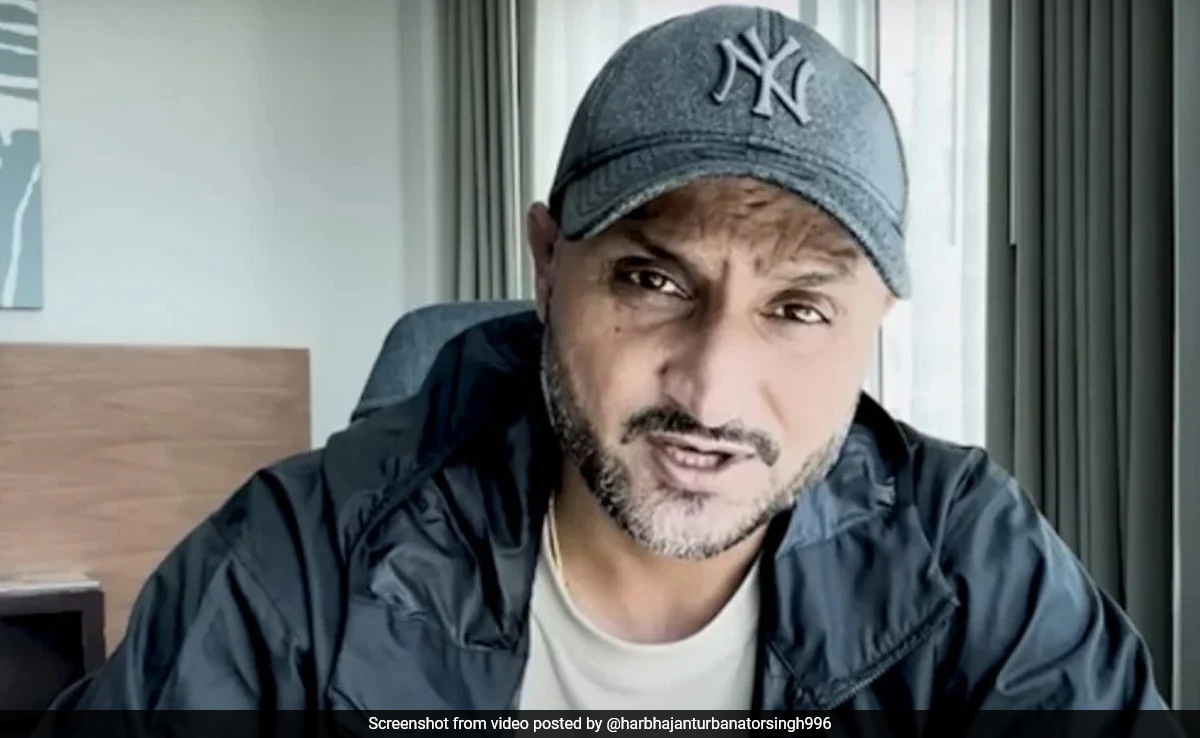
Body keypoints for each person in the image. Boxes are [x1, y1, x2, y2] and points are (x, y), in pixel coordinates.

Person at [43, 3, 1169, 719]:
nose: (712, 389)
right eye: (653, 281)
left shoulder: (971, 564)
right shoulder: (301, 563)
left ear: (877, 319)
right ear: (548, 266)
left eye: (798, 308)